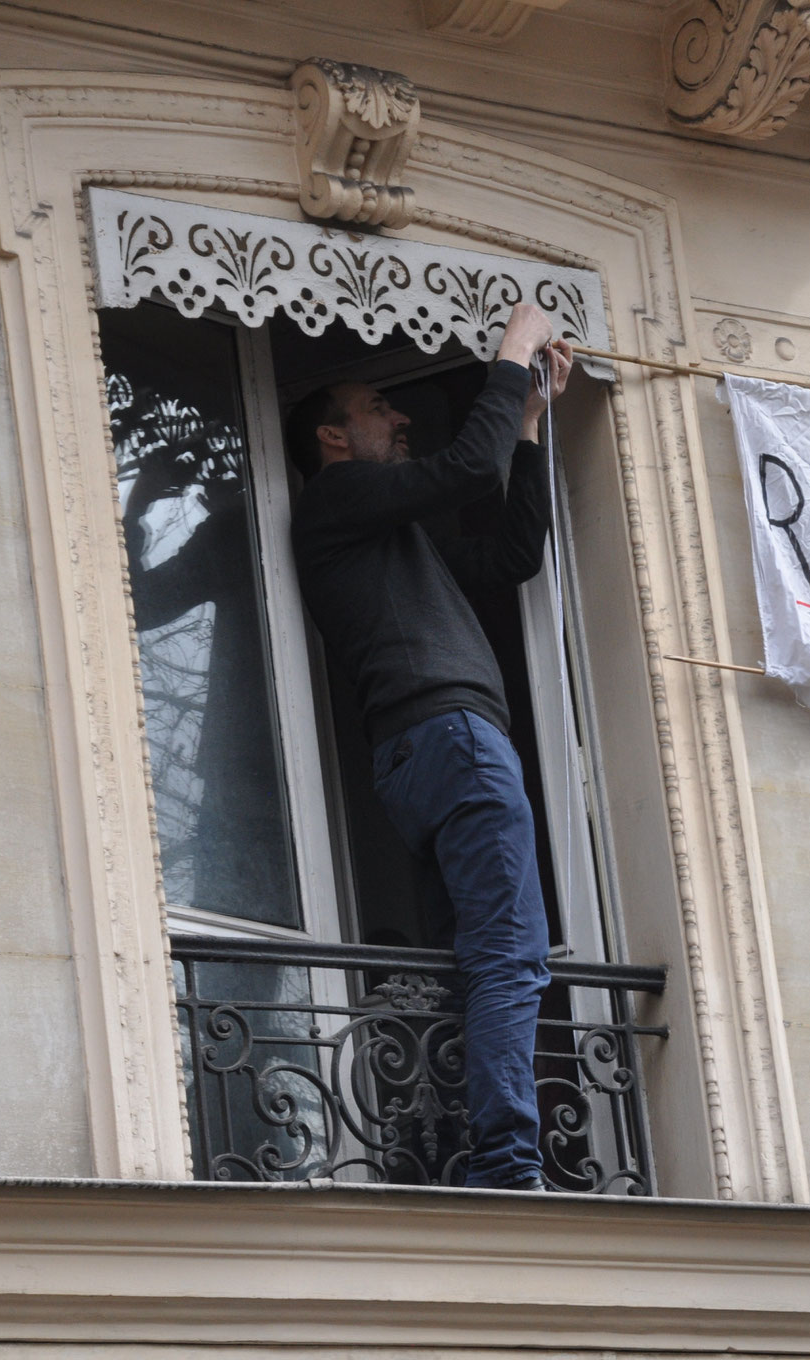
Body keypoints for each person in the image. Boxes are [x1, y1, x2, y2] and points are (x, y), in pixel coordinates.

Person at [287, 303, 575, 1191]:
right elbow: (464, 466)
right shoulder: (338, 499)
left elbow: (515, 553)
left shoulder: (390, 537)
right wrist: (511, 350)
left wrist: (525, 420)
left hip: (424, 755)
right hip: (452, 741)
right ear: (334, 438)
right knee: (510, 952)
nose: (400, 415)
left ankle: (473, 1149)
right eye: (380, 406)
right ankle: (507, 1163)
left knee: (475, 959)